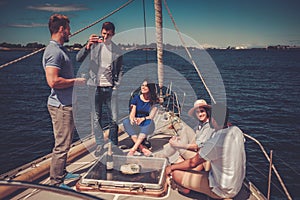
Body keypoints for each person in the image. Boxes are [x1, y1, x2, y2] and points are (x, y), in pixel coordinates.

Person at [165, 103, 246, 199]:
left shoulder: (214, 143)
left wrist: (171, 167)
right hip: (236, 185)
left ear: (212, 120)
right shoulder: (237, 131)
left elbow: (192, 163)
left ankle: (185, 187)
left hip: (223, 190)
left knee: (176, 173)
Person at [42, 14, 86, 188]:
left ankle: (62, 172)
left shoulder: (59, 50)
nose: (70, 32)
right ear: (61, 29)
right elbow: (53, 81)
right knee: (62, 145)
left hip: (65, 104)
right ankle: (56, 181)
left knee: (66, 143)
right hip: (60, 106)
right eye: (68, 29)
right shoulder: (54, 52)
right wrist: (77, 81)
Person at [76, 22, 123, 156]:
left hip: (110, 88)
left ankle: (114, 146)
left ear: (113, 34)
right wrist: (87, 45)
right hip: (94, 88)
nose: (106, 36)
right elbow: (78, 59)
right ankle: (100, 145)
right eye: (103, 33)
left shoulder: (117, 50)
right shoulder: (94, 46)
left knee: (113, 118)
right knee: (96, 118)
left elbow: (120, 69)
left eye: (108, 34)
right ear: (101, 32)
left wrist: (117, 85)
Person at [168, 99, 214, 171]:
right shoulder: (201, 125)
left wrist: (177, 145)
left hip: (201, 158)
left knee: (176, 148)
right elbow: (194, 138)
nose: (200, 114)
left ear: (207, 112)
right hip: (198, 153)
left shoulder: (209, 126)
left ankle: (174, 163)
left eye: (202, 111)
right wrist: (178, 139)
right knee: (184, 131)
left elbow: (197, 145)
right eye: (197, 112)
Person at [123, 80, 158, 156]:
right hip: (136, 122)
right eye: (142, 85)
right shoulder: (136, 98)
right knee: (126, 121)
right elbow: (133, 112)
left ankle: (134, 149)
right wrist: (132, 118)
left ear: (150, 88)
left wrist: (142, 119)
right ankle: (142, 147)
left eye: (146, 86)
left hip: (146, 122)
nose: (143, 87)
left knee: (149, 122)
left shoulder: (154, 100)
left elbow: (151, 116)